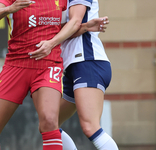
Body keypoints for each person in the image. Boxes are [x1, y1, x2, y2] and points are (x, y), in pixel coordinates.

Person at [0, 0, 108, 150]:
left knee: (49, 121)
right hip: (15, 66)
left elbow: (59, 29)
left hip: (48, 65)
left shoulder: (62, 1)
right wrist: (9, 9)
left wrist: (84, 27)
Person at [28, 0, 119, 149]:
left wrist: (50, 43)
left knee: (91, 127)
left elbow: (75, 22)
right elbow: (66, 28)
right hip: (73, 66)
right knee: (49, 125)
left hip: (88, 61)